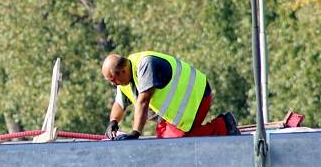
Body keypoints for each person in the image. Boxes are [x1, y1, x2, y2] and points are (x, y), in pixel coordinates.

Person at [100, 51, 239, 139]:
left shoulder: (146, 65)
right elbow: (119, 104)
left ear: (123, 71)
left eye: (113, 80)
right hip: (173, 115)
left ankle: (224, 126)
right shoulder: (123, 82)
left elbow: (144, 100)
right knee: (164, 145)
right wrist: (113, 122)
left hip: (197, 98)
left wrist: (135, 133)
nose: (113, 84)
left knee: (176, 144)